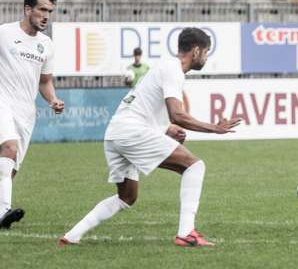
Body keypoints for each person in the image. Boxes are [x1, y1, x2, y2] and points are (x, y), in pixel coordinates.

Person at [59, 28, 240, 247]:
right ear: (196, 51)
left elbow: (146, 108)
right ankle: (186, 233)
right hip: (131, 132)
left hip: (115, 133)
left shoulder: (165, 67)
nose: (206, 57)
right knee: (194, 166)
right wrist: (214, 128)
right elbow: (178, 114)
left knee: (127, 197)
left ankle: (72, 235)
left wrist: (165, 128)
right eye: (206, 52)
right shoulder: (174, 69)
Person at [0, 0, 65, 229]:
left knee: (10, 168)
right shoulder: (4, 33)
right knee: (8, 148)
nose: (46, 15)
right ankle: (3, 213)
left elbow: (45, 81)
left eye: (50, 11)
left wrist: (53, 100)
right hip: (2, 102)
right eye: (42, 10)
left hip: (26, 112)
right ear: (28, 9)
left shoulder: (46, 45)